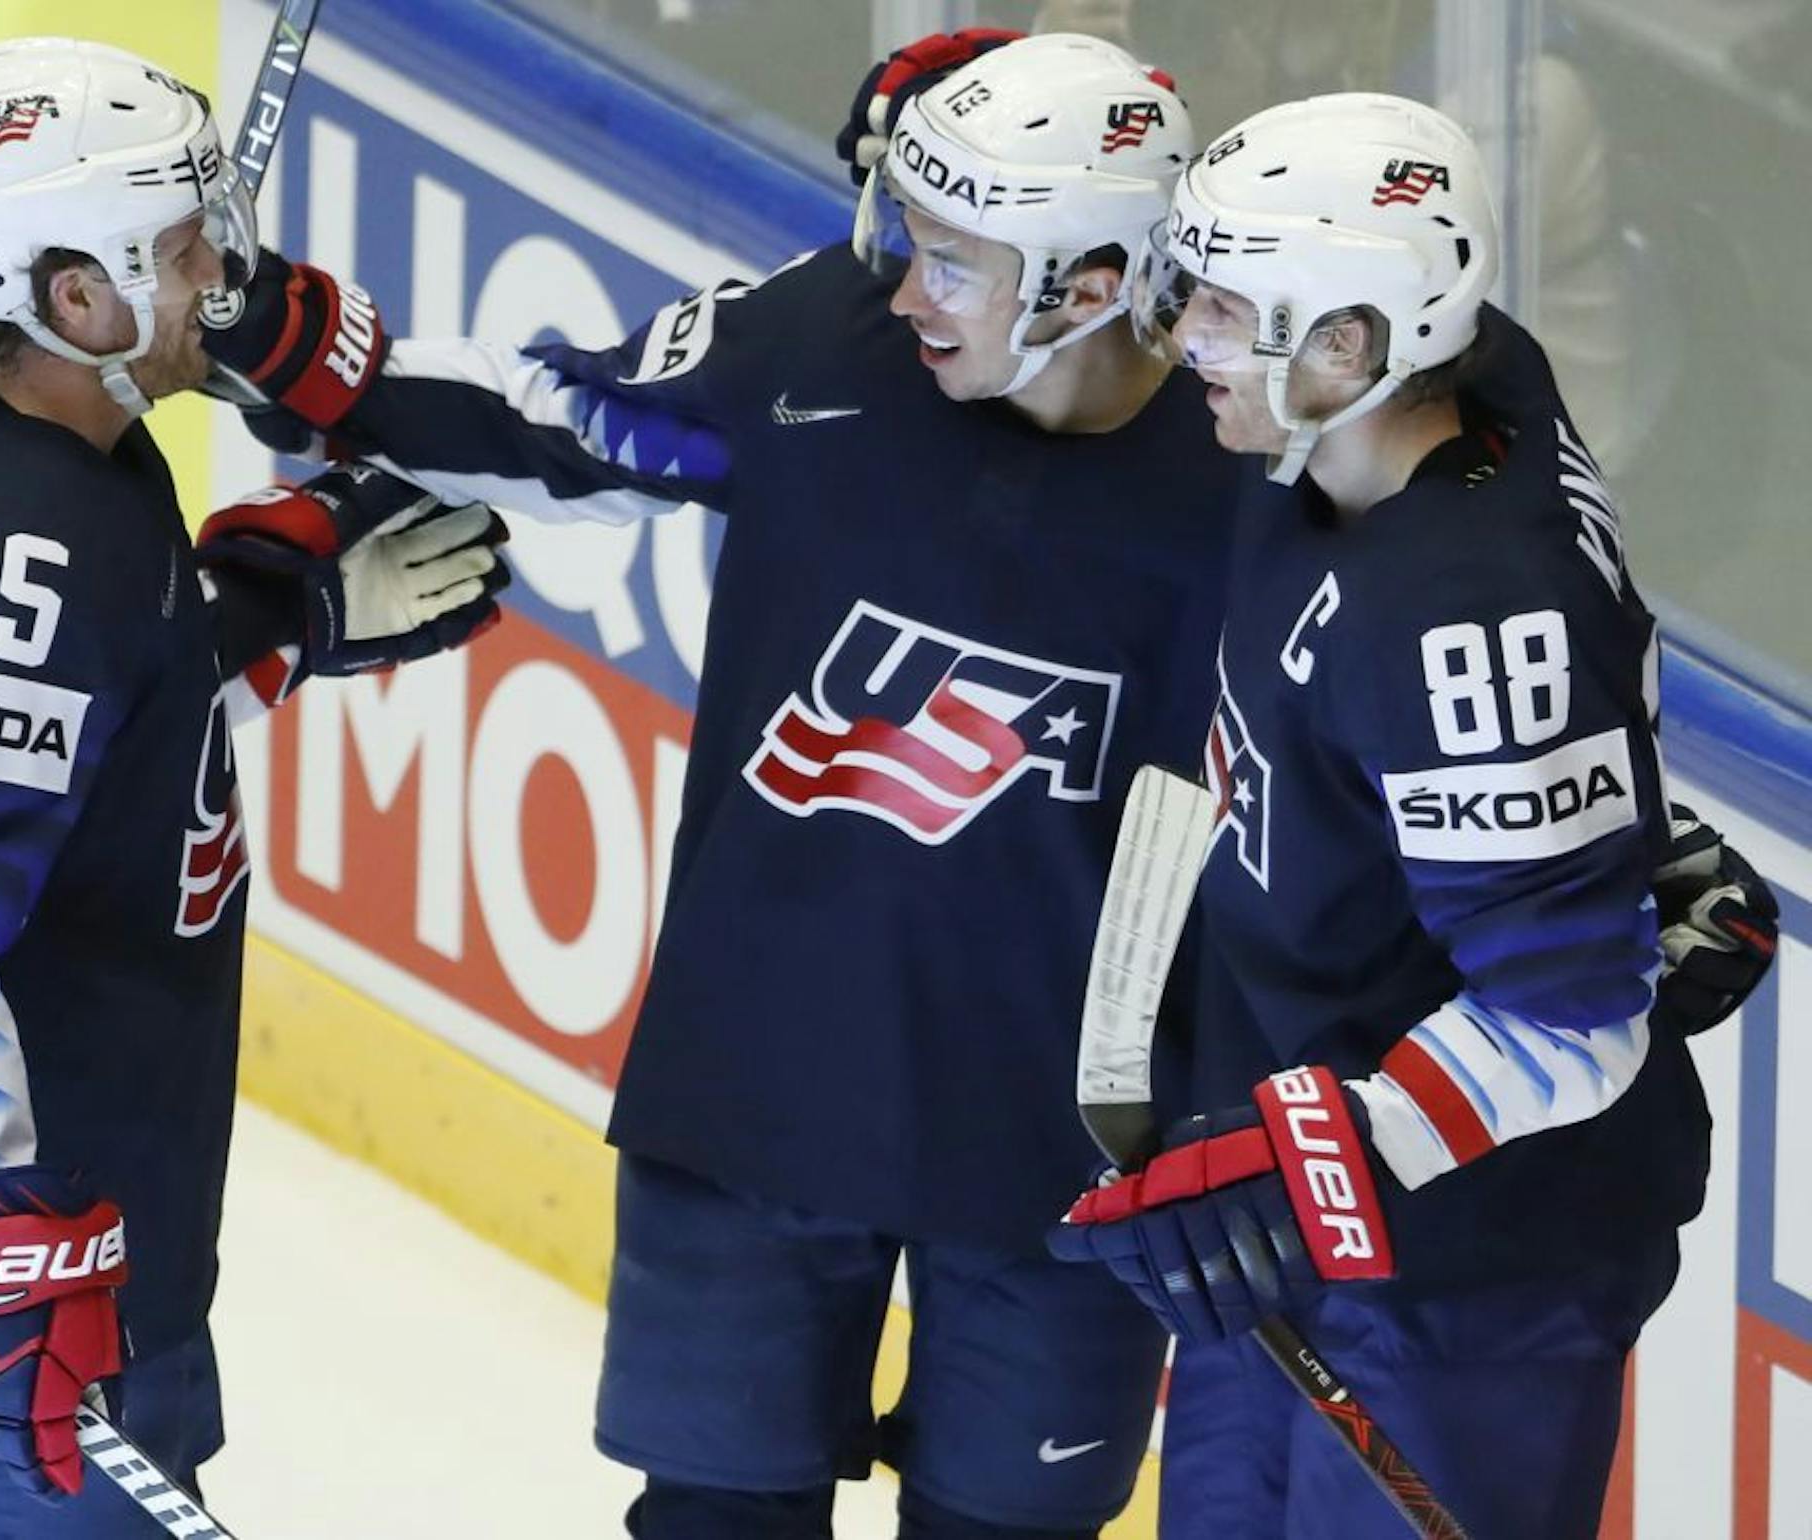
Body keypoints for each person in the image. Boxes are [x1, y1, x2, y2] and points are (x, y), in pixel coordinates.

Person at [204, 33, 1217, 1539]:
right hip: (757, 1088)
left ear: (1084, 283)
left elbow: (1391, 717)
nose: (899, 283)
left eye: (950, 259)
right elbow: (547, 418)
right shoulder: (824, 346)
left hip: (1062, 1157)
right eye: (903, 237)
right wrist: (277, 334)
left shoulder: (1258, 462)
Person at [0, 37, 506, 1539]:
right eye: (187, 246)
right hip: (4, 1288)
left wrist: (266, 623)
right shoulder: (18, 547)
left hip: (23, 1235)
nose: (229, 272)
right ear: (73, 294)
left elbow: (50, 745)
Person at [1050, 92, 1778, 1538]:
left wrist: (1295, 1160)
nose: (1184, 334)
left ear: (1352, 339)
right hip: (1298, 1180)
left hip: (1464, 1258)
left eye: (1227, 304)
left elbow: (1570, 1017)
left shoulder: (1464, 604)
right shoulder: (1424, 394)